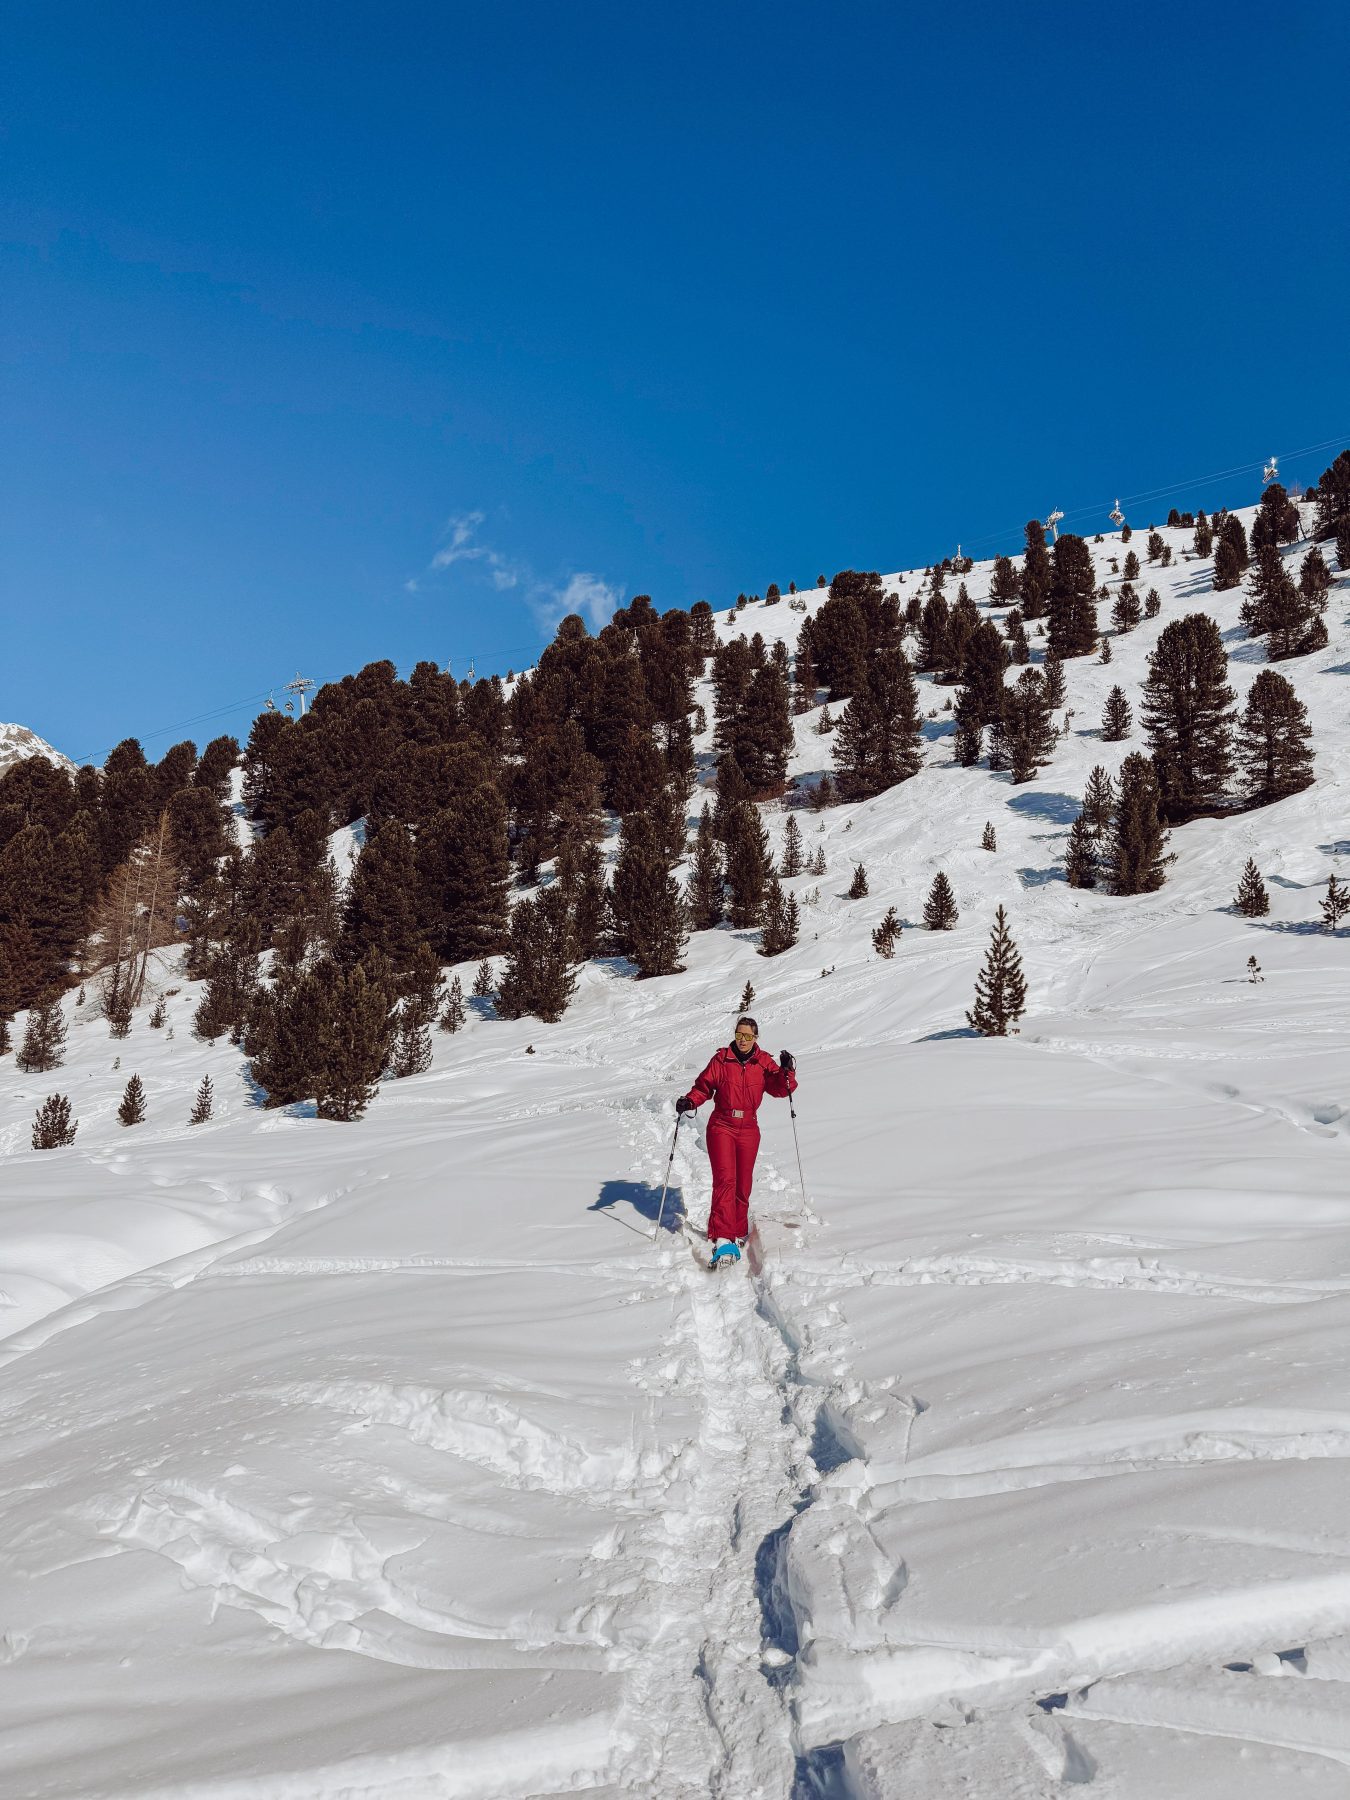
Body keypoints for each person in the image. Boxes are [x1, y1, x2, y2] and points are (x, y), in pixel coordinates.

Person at [676, 1017, 796, 1266]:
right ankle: (722, 1237)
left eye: (748, 1036)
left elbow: (781, 1088)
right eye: (739, 1035)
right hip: (722, 1126)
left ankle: (739, 1229)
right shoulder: (721, 1060)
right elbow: (704, 1086)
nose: (743, 1040)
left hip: (749, 1128)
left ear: (756, 1038)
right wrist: (690, 1101)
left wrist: (787, 1071)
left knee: (743, 1184)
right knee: (726, 1181)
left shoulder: (763, 1062)